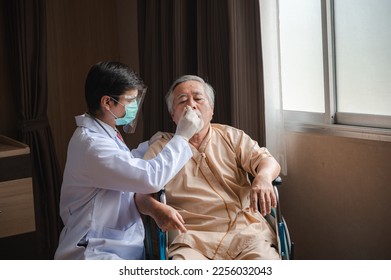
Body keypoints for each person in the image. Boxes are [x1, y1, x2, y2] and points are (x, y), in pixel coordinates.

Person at [54, 62, 202, 260]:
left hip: (119, 245)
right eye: (130, 100)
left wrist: (148, 145)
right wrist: (182, 137)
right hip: (95, 251)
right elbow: (149, 178)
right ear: (107, 102)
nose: (134, 105)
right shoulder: (91, 145)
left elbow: (123, 163)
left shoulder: (103, 131)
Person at [135, 75, 281, 260]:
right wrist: (155, 209)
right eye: (182, 101)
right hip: (191, 238)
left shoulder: (231, 136)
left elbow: (268, 161)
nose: (191, 105)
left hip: (246, 232)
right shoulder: (161, 148)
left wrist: (263, 177)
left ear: (211, 110)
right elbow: (141, 196)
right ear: (173, 115)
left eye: (198, 98)